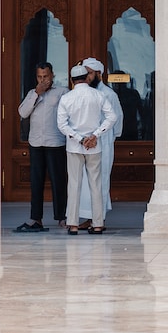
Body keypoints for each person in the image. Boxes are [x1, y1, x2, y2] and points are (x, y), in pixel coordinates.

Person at [57, 63, 116, 234]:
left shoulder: (67, 98)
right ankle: (98, 223)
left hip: (75, 147)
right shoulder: (97, 95)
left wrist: (79, 138)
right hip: (94, 147)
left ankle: (73, 224)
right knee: (96, 185)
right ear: (86, 78)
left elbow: (61, 125)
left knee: (74, 184)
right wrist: (95, 135)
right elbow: (111, 117)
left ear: (72, 80)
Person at [14, 62, 68, 232]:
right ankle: (36, 218)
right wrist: (37, 94)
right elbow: (23, 113)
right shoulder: (32, 93)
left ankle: (62, 217)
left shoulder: (62, 93)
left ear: (53, 75)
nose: (43, 80)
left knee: (58, 182)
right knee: (36, 182)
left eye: (46, 76)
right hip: (36, 143)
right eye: (40, 77)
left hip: (55, 143)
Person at [75, 58, 124, 228]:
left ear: (98, 74)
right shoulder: (83, 93)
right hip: (84, 144)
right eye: (85, 73)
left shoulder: (109, 94)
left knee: (100, 181)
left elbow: (117, 122)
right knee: (87, 183)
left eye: (89, 73)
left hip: (104, 143)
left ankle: (98, 220)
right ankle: (90, 218)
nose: (86, 77)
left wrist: (105, 138)